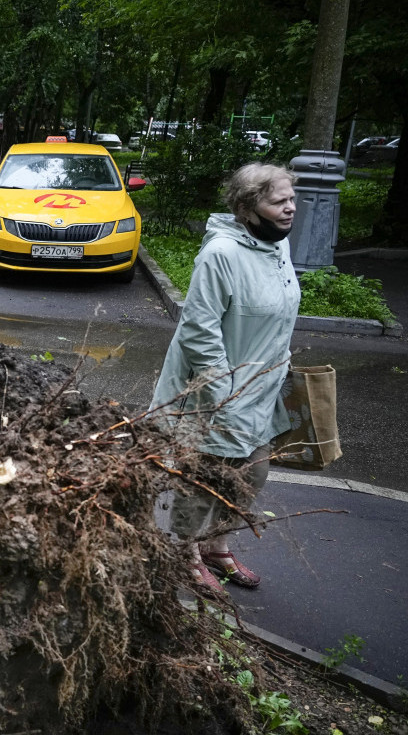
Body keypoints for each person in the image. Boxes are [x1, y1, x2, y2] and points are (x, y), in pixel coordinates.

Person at [150, 162, 300, 593]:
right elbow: (198, 331)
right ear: (248, 207)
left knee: (252, 475)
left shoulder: (278, 247)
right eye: (278, 202)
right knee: (204, 480)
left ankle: (217, 548)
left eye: (292, 199)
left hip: (262, 389)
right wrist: (223, 394)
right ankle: (185, 555)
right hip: (216, 392)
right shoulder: (221, 255)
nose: (290, 209)